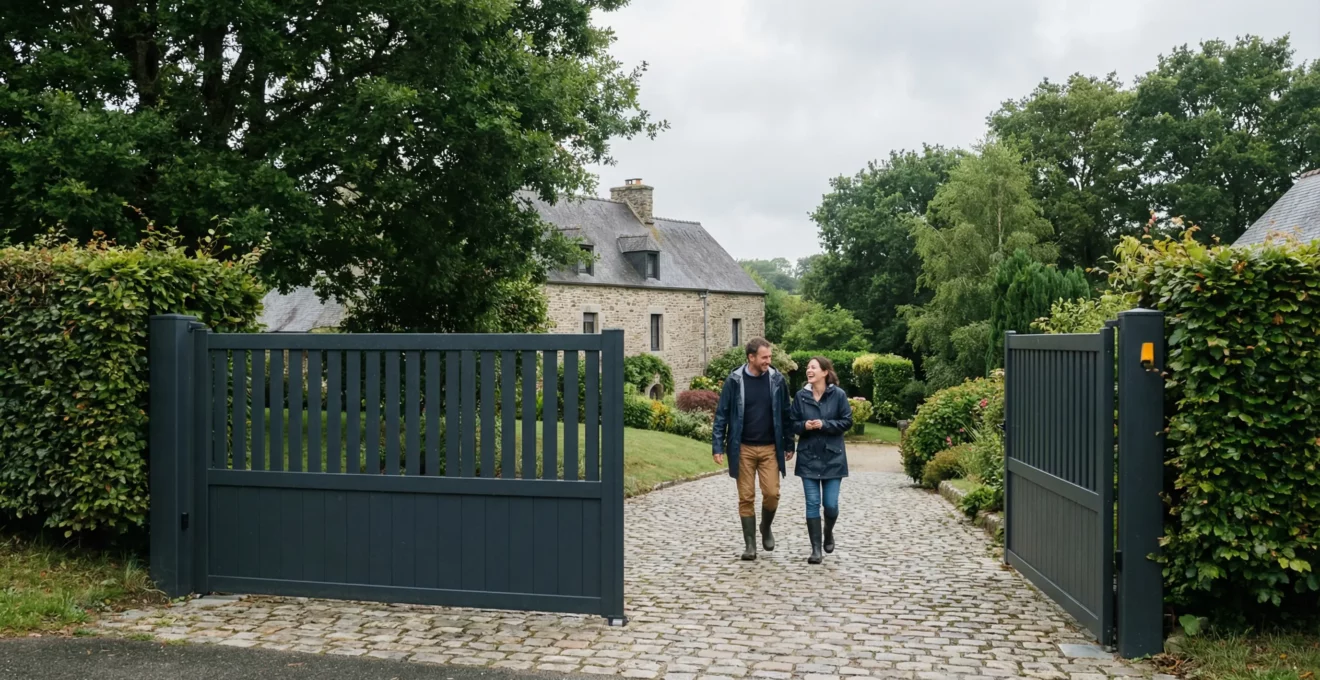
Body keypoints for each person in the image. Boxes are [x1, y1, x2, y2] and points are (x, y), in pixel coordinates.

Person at [712, 337, 796, 561]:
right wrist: (717, 446)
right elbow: (722, 414)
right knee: (746, 497)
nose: (769, 361)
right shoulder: (734, 381)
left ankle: (765, 526)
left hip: (770, 448)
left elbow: (786, 414)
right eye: (764, 357)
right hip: (743, 449)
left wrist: (789, 443)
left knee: (771, 494)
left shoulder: (777, 380)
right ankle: (750, 545)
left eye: (769, 357)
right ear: (751, 357)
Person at [790, 356, 853, 564]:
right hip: (808, 457)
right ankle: (815, 549)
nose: (809, 370)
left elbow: (846, 421)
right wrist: (804, 426)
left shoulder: (839, 395)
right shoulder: (800, 396)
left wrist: (824, 424)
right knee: (812, 503)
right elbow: (792, 423)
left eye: (813, 367)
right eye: (808, 367)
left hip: (833, 458)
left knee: (830, 505)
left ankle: (828, 531)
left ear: (825, 372)